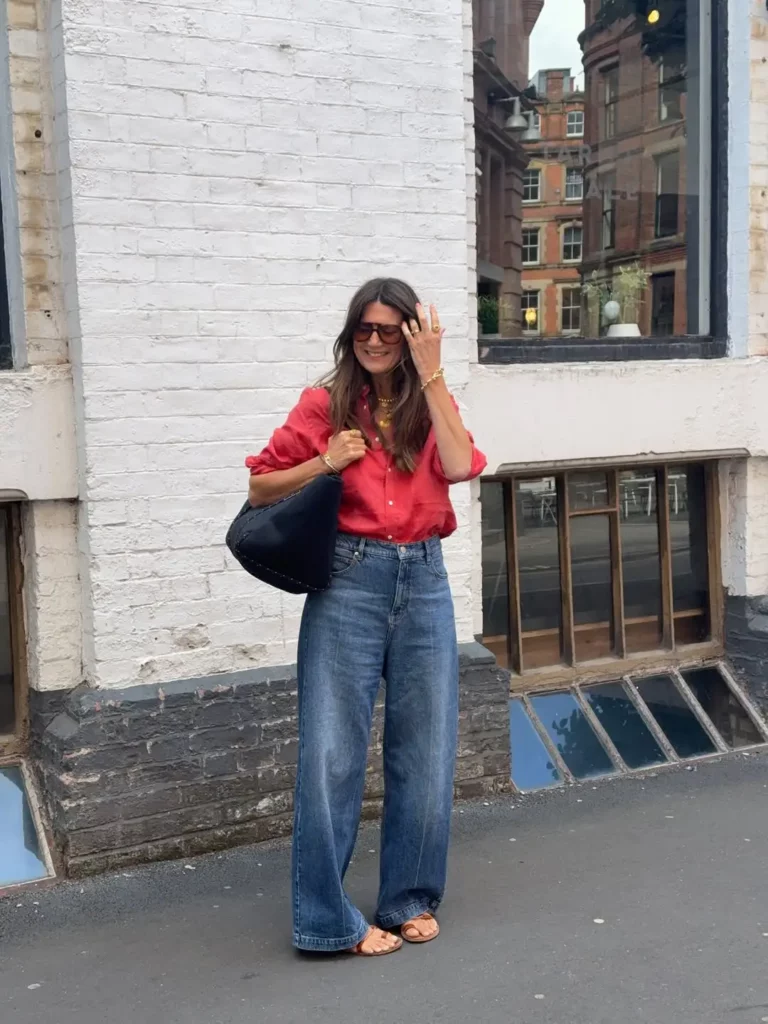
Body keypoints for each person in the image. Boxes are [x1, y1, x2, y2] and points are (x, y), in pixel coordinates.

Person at [246, 278, 486, 957]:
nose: (377, 341)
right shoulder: (325, 403)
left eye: (392, 331)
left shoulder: (426, 400)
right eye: (366, 329)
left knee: (426, 748)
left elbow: (463, 464)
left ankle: (408, 897)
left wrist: (433, 373)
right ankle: (325, 921)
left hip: (426, 579)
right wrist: (326, 460)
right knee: (330, 754)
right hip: (351, 580)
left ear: (411, 336)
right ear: (351, 333)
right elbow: (260, 485)